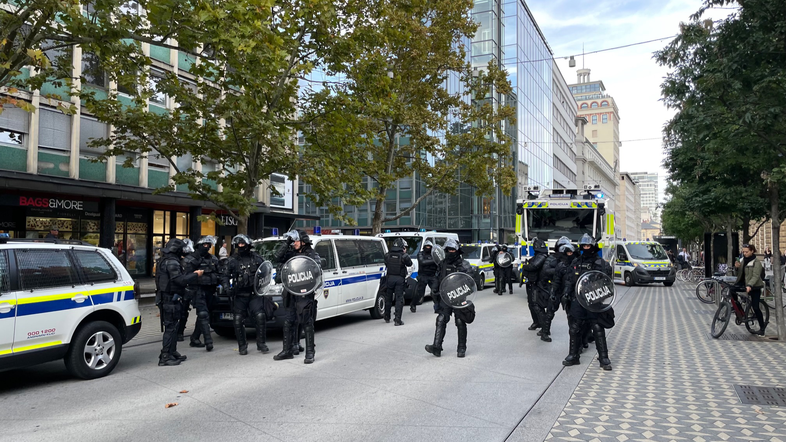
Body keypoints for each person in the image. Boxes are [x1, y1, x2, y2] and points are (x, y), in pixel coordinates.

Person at [562, 234, 614, 371]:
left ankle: (603, 358)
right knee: (574, 328)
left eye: (588, 246)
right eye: (584, 246)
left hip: (593, 300)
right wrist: (566, 293)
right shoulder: (576, 262)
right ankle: (573, 356)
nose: (586, 248)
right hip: (578, 300)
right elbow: (569, 280)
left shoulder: (601, 263)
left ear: (593, 246)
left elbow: (607, 282)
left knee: (597, 328)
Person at [273, 229, 321, 364]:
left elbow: (317, 270)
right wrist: (287, 241)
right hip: (290, 293)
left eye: (296, 241)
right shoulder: (291, 254)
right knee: (289, 322)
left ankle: (310, 352)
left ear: (303, 242)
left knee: (307, 322)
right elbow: (277, 257)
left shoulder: (312, 254)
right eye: (293, 241)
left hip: (304, 294)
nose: (294, 243)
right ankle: (287, 351)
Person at [221, 234, 273, 355]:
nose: (240, 246)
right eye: (238, 244)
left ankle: (261, 343)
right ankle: (242, 345)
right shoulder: (232, 260)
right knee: (238, 319)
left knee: (260, 316)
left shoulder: (256, 258)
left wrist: (264, 287)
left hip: (254, 293)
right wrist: (226, 288)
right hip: (239, 294)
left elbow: (266, 271)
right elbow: (224, 276)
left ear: (248, 244)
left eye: (242, 244)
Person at [425, 238, 476, 358]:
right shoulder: (442, 264)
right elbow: (438, 277)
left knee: (460, 321)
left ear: (457, 251)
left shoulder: (464, 265)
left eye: (452, 249)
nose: (450, 251)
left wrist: (461, 290)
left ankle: (461, 348)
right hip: (445, 297)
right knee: (441, 319)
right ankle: (436, 347)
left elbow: (471, 282)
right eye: (448, 249)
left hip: (459, 296)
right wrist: (435, 289)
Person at [155, 238, 202, 366]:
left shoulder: (165, 260)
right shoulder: (171, 262)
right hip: (170, 299)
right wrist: (195, 275)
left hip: (169, 298)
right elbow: (180, 280)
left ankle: (172, 352)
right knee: (170, 328)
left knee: (174, 327)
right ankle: (165, 356)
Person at [184, 235, 220, 351]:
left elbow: (220, 273)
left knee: (204, 315)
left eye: (209, 245)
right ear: (198, 246)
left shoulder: (213, 259)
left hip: (210, 290)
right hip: (197, 290)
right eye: (204, 245)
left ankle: (195, 338)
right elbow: (185, 277)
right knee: (203, 314)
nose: (207, 247)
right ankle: (208, 341)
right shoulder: (191, 259)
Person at [735, 244, 767, 335]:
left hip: (754, 286)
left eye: (746, 252)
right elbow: (738, 274)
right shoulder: (742, 260)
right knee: (731, 291)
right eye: (743, 252)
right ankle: (739, 311)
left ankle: (762, 328)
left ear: (752, 251)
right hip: (743, 284)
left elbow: (756, 276)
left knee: (755, 307)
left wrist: (750, 285)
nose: (744, 253)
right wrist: (737, 268)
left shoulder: (756, 263)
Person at [519, 238, 548, 331]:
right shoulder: (537, 256)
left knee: (538, 306)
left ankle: (545, 328)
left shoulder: (542, 256)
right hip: (531, 284)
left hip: (538, 285)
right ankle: (536, 322)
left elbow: (534, 266)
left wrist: (525, 266)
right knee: (531, 304)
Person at [550, 237, 576, 336]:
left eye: (571, 253)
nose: (569, 255)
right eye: (567, 253)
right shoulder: (559, 265)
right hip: (563, 293)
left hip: (575, 293)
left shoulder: (577, 263)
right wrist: (553, 292)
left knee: (578, 318)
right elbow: (556, 280)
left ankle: (585, 338)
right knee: (569, 317)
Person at [384, 238, 413, 325]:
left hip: (389, 278)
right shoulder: (404, 256)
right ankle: (397, 319)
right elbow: (410, 264)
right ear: (402, 247)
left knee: (388, 298)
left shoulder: (387, 255)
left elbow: (386, 263)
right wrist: (404, 253)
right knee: (399, 299)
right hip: (399, 279)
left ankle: (387, 316)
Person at [176, 239, 196, 342]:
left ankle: (179, 332)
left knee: (183, 311)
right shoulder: (177, 260)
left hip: (187, 287)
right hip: (183, 287)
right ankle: (179, 332)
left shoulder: (185, 259)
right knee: (182, 311)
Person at [411, 240, 438, 313]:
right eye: (427, 246)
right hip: (423, 275)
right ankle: (413, 304)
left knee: (435, 292)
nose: (428, 248)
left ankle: (437, 307)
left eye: (429, 246)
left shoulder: (434, 254)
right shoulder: (420, 254)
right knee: (420, 293)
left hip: (432, 275)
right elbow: (422, 262)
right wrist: (434, 261)